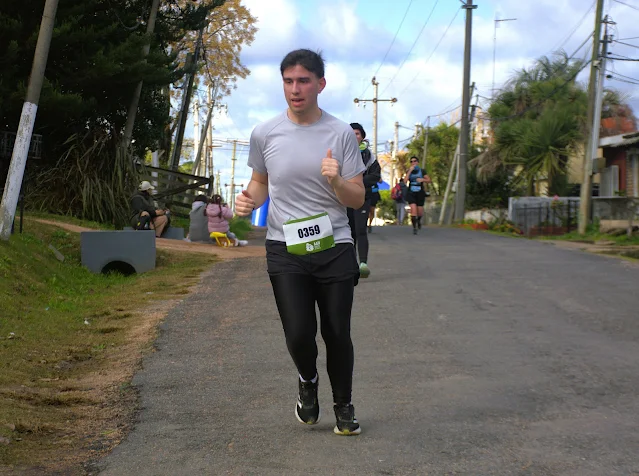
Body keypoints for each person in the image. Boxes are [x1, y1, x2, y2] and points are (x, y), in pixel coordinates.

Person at [235, 49, 365, 436]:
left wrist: (336, 181)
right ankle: (308, 380)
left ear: (320, 84)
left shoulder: (340, 133)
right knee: (298, 332)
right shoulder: (265, 133)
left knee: (337, 332)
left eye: (304, 81)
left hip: (334, 245)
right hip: (285, 247)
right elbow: (260, 183)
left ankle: (343, 406)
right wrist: (249, 200)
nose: (295, 89)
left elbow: (357, 198)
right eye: (289, 81)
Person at [347, 123, 381, 278]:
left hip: (363, 197)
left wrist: (358, 181)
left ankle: (363, 264)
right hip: (345, 198)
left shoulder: (369, 156)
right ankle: (350, 264)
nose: (354, 136)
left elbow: (375, 175)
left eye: (357, 134)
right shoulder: (341, 153)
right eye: (351, 133)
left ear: (362, 137)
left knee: (361, 230)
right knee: (349, 232)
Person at [405, 157, 431, 235]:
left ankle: (418, 220)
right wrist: (410, 171)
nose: (413, 163)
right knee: (413, 209)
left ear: (417, 162)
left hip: (420, 192)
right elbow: (405, 181)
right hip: (411, 192)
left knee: (419, 212)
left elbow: (429, 180)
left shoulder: (422, 171)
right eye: (411, 161)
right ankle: (414, 227)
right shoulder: (409, 171)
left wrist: (423, 180)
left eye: (415, 161)